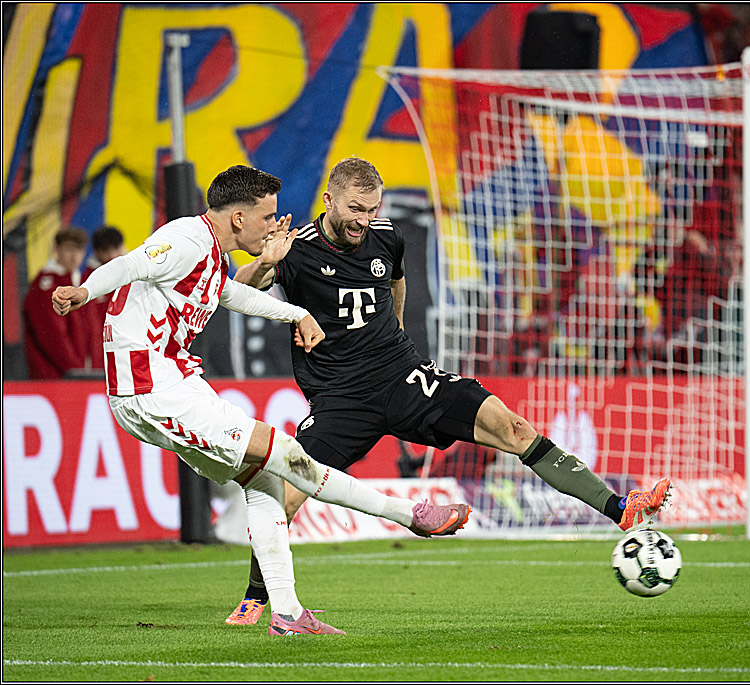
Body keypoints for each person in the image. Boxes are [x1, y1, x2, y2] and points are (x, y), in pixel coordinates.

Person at [225, 157, 673, 625]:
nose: (364, 220)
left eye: (372, 208)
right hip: (341, 397)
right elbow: (240, 291)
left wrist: (395, 333)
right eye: (355, 209)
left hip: (403, 376)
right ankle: (257, 596)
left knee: (512, 427)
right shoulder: (295, 250)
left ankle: (619, 507)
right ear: (329, 200)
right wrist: (264, 264)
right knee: (288, 490)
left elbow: (394, 282)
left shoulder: (385, 236)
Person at [52, 165, 472, 636]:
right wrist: (84, 290)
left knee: (264, 484)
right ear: (237, 219)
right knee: (289, 456)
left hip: (170, 386)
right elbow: (134, 263)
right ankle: (409, 515)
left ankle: (288, 614)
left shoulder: (209, 255)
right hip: (153, 390)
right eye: (268, 216)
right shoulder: (188, 238)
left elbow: (230, 294)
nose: (275, 225)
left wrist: (296, 313)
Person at [23, 227, 92, 378]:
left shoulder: (81, 282)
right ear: (56, 250)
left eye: (79, 249)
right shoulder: (46, 285)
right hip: (54, 376)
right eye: (69, 249)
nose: (74, 256)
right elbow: (52, 337)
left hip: (78, 374)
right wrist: (77, 371)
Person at [83, 226, 127, 368]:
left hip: (127, 347)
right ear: (97, 252)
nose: (112, 255)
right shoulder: (87, 282)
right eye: (107, 250)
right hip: (101, 354)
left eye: (116, 249)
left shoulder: (132, 275)